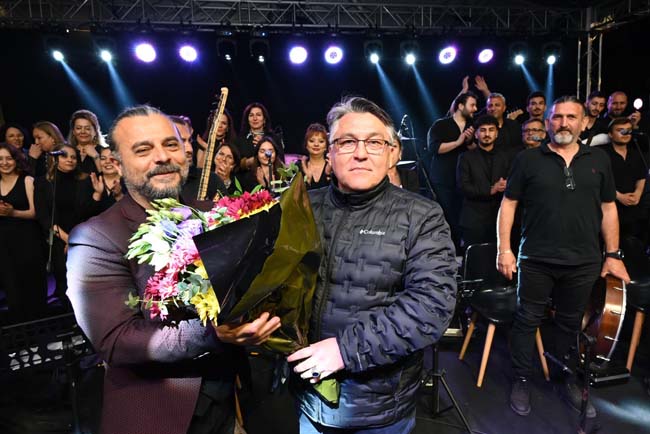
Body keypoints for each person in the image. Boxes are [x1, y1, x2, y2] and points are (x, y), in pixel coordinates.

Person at [66, 105, 281, 434]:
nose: (163, 156)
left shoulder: (214, 214)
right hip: (160, 413)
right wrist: (214, 333)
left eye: (171, 144)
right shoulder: (96, 237)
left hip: (233, 402)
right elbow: (117, 341)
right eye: (143, 149)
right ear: (117, 163)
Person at [287, 96, 457, 433]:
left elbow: (432, 306)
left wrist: (345, 350)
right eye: (347, 142)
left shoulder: (422, 216)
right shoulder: (302, 207)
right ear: (329, 153)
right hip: (308, 396)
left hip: (379, 409)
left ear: (393, 153)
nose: (361, 153)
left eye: (375, 142)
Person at [496, 96, 630, 418]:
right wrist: (504, 249)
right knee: (526, 320)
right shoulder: (528, 159)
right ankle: (521, 379)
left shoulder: (599, 159)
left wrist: (613, 254)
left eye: (571, 117)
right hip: (536, 258)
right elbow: (509, 204)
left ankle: (564, 377)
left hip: (584, 262)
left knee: (570, 323)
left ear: (584, 123)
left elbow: (608, 208)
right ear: (547, 122)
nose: (564, 123)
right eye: (557, 117)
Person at [0, 143, 48, 323]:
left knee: (33, 288)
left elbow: (35, 213)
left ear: (16, 160)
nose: (5, 163)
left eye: (9, 158)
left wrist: (12, 213)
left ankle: (41, 330)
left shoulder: (27, 180)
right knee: (13, 292)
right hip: (5, 246)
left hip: (29, 242)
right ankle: (20, 333)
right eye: (0, 159)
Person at [428, 91, 478, 249]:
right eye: (472, 105)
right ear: (461, 106)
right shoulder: (441, 125)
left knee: (464, 215)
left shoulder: (474, 126)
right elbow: (434, 148)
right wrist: (458, 142)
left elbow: (478, 150)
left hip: (465, 179)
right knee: (445, 215)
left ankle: (462, 249)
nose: (475, 109)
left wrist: (469, 142)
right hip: (443, 179)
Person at [457, 115, 510, 248]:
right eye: (483, 130)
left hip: (500, 218)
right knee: (473, 257)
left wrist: (507, 185)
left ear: (496, 133)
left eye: (491, 130)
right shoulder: (465, 157)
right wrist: (491, 190)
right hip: (473, 219)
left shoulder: (506, 157)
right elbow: (462, 187)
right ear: (476, 134)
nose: (487, 134)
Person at [604, 118, 647, 239]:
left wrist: (637, 193)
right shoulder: (602, 154)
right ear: (610, 134)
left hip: (634, 210)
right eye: (620, 130)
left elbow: (641, 176)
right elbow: (599, 180)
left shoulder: (636, 152)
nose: (625, 133)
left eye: (628, 130)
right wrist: (618, 196)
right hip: (611, 207)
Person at [170, 115, 220, 201]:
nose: (190, 149)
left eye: (190, 140)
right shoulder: (153, 185)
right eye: (181, 141)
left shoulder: (211, 180)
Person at [235, 102, 282, 172]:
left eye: (258, 115)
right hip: (247, 177)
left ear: (264, 120)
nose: (255, 118)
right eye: (251, 115)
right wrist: (247, 162)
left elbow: (281, 163)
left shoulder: (274, 138)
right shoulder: (239, 140)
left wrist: (263, 145)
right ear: (247, 120)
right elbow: (235, 166)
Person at [67, 109, 107, 174]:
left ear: (95, 131)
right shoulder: (68, 151)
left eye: (87, 128)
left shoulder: (104, 152)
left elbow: (108, 176)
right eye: (78, 128)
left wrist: (96, 156)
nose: (83, 131)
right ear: (73, 131)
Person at [300, 123, 331, 190]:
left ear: (326, 146)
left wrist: (328, 174)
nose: (316, 144)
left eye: (321, 141)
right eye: (311, 141)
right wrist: (308, 180)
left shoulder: (333, 166)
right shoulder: (299, 166)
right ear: (306, 145)